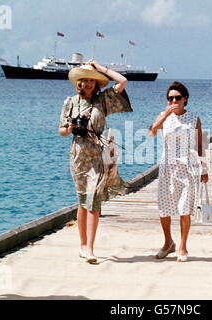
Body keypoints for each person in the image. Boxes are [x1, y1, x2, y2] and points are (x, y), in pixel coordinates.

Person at [59, 60, 132, 263]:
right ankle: (82, 245)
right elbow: (62, 131)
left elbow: (123, 80)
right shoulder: (70, 102)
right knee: (83, 201)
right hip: (78, 157)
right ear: (79, 82)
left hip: (98, 156)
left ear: (97, 83)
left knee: (93, 201)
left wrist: (101, 69)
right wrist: (71, 126)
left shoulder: (103, 101)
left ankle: (90, 248)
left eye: (93, 80)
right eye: (86, 80)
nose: (89, 83)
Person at [148, 81, 208, 262]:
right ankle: (168, 243)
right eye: (170, 98)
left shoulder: (194, 117)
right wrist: (165, 114)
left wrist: (204, 168)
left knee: (184, 208)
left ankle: (182, 245)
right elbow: (151, 132)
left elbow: (200, 145)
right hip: (168, 168)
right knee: (164, 207)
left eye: (177, 98)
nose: (174, 101)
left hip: (188, 168)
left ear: (185, 98)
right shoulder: (164, 116)